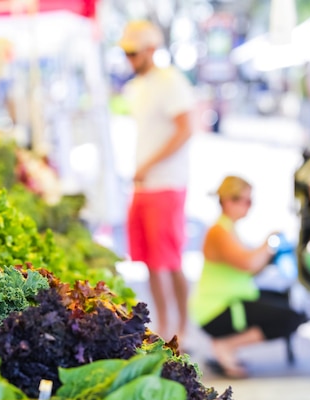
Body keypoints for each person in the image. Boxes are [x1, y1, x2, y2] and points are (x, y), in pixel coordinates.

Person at [119, 20, 196, 342]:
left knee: (169, 260)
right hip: (144, 184)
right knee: (151, 261)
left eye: (134, 53)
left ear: (151, 50)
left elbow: (186, 128)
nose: (130, 59)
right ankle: (164, 325)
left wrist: (149, 164)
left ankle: (180, 328)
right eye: (126, 53)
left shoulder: (170, 82)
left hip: (166, 183)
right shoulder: (137, 87)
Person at [188, 176, 305, 378]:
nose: (249, 207)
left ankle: (226, 346)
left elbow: (251, 268)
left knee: (289, 303)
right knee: (290, 318)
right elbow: (248, 264)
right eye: (246, 201)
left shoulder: (229, 228)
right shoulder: (218, 231)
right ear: (227, 201)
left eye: (251, 201)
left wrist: (271, 254)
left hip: (235, 298)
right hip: (218, 309)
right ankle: (225, 346)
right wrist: (269, 242)